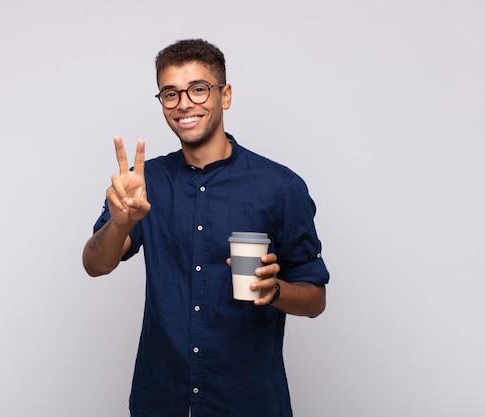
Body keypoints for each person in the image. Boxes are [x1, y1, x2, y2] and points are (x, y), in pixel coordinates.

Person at [82, 39, 329, 417]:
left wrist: (274, 290)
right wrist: (119, 224)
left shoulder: (280, 188)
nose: (183, 103)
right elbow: (95, 264)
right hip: (160, 401)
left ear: (224, 95)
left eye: (198, 89)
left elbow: (315, 299)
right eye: (170, 93)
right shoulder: (145, 184)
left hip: (248, 403)